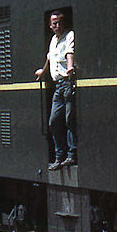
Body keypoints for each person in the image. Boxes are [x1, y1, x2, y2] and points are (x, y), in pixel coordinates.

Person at [35, 10, 77, 170]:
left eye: (60, 23)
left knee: (69, 119)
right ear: (50, 25)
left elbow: (69, 53)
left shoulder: (69, 35)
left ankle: (71, 155)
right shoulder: (53, 40)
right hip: (58, 86)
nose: (57, 26)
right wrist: (43, 71)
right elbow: (49, 58)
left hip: (67, 83)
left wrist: (70, 67)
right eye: (54, 24)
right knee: (53, 121)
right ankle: (60, 155)